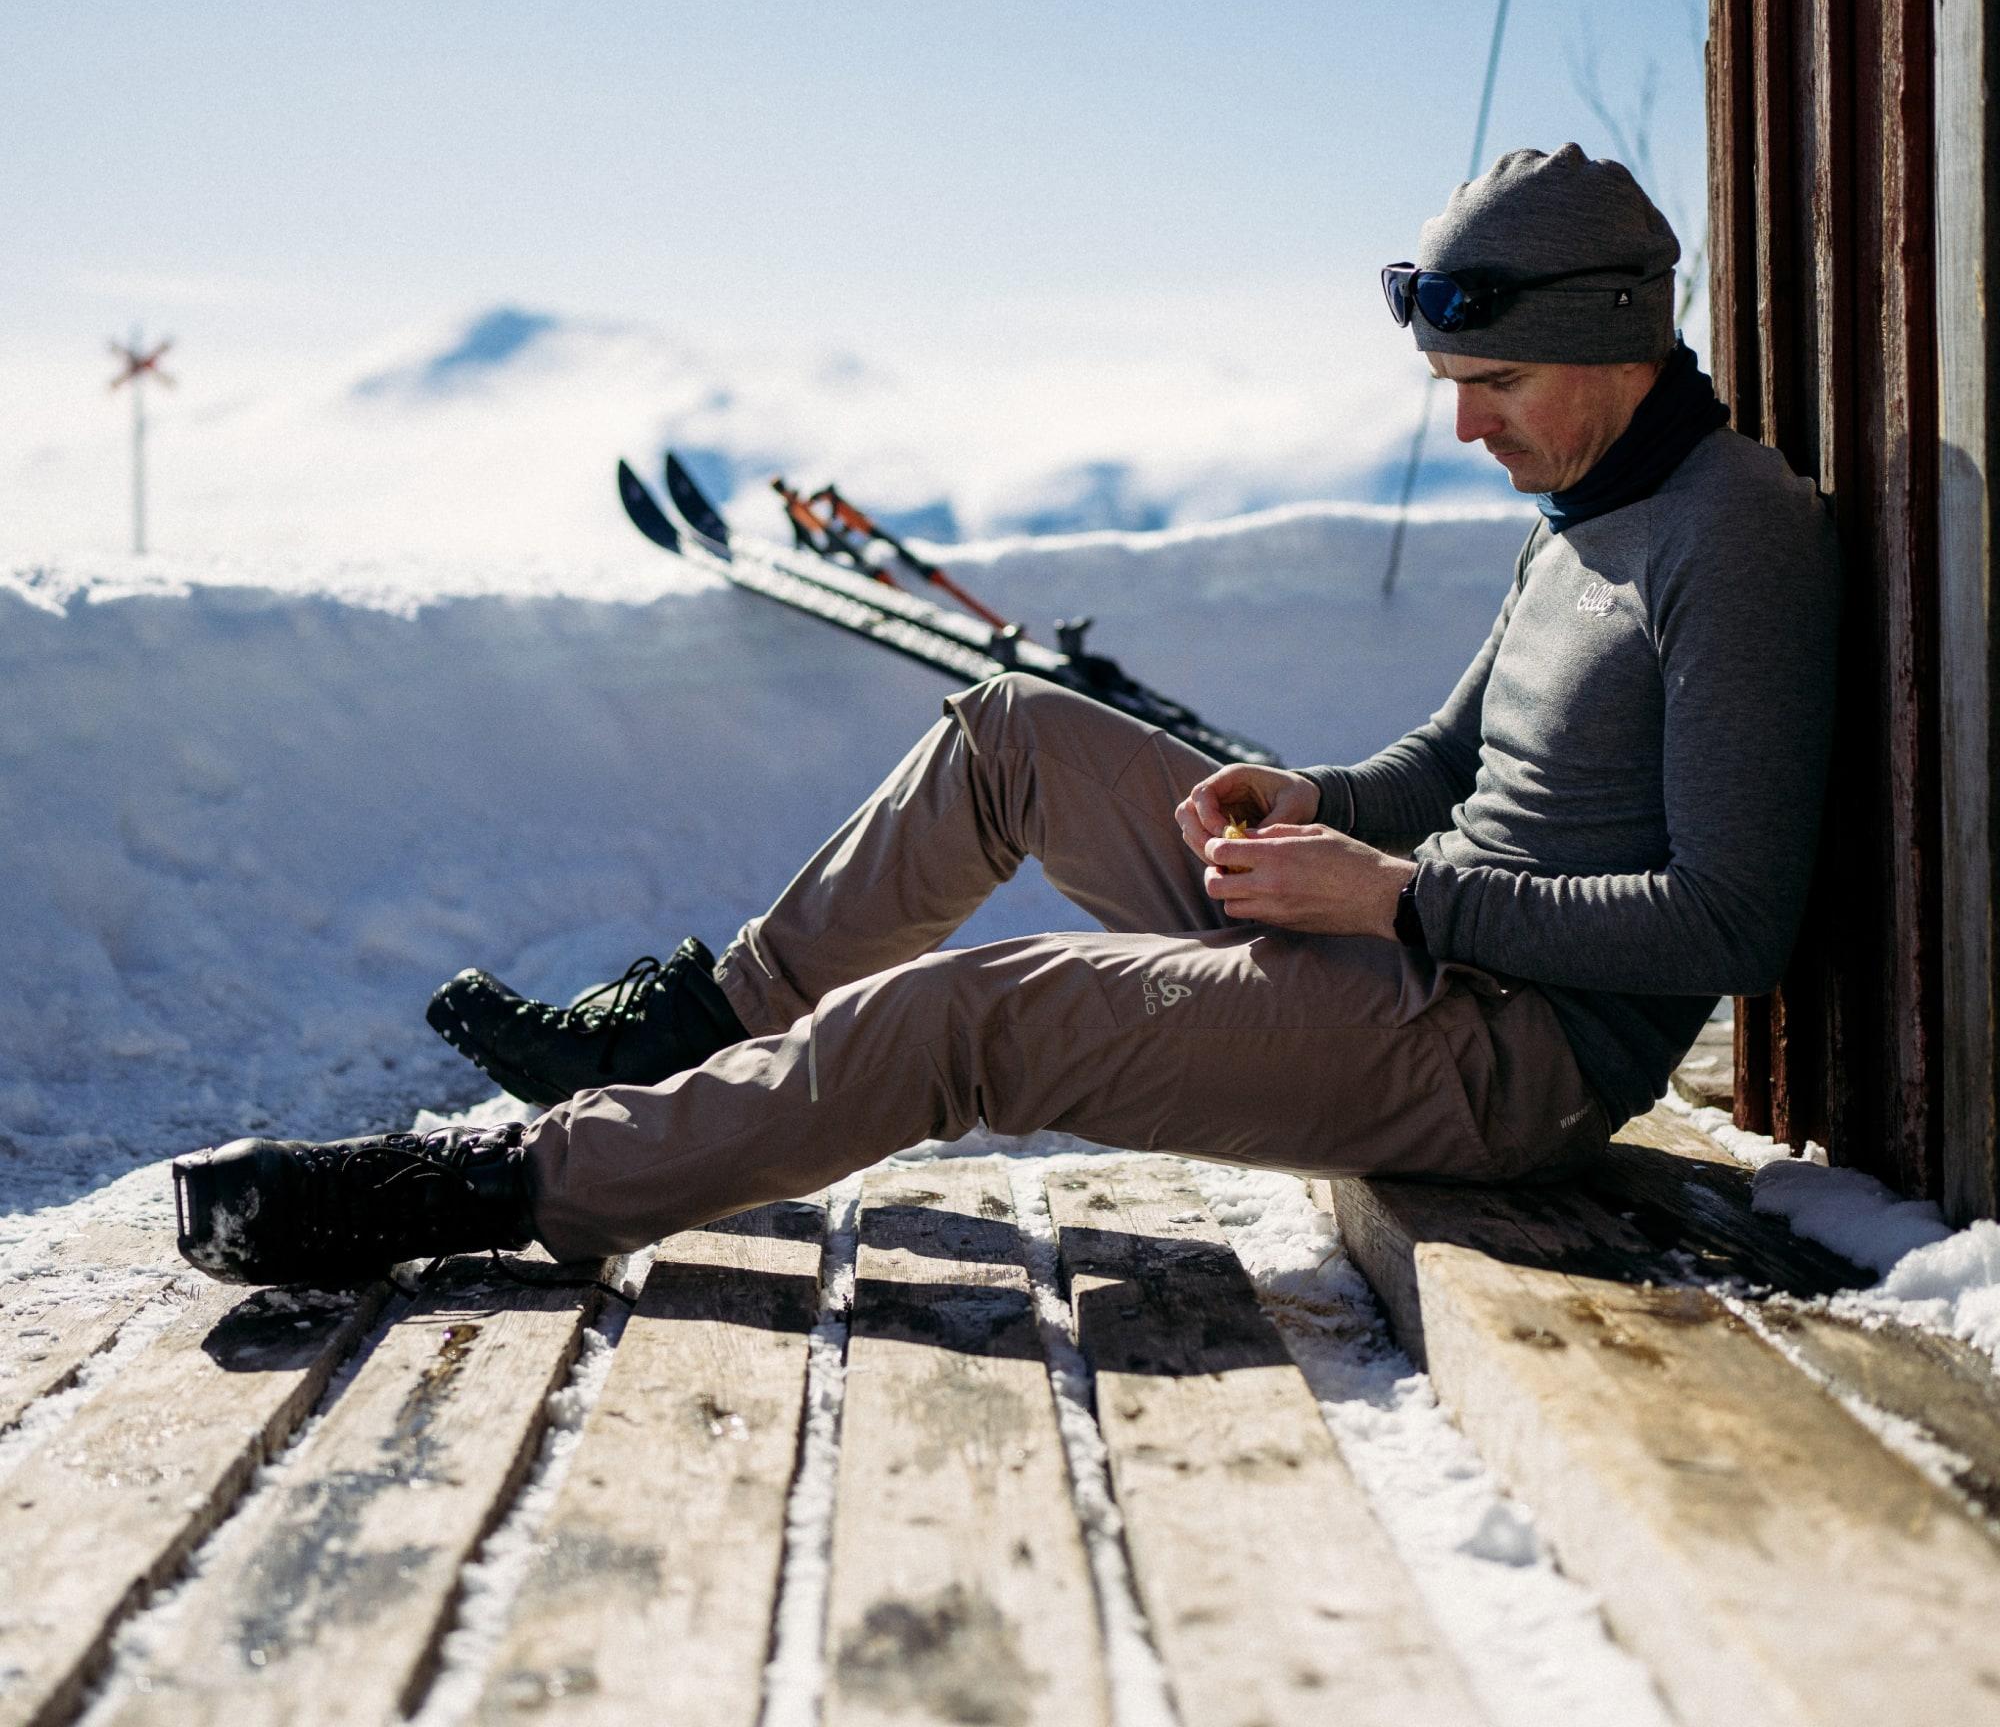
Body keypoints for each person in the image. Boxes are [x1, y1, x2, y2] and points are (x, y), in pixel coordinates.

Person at [171, 145, 1841, 1286]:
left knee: (964, 1019)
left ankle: (494, 1191)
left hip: (1502, 1059)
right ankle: (698, 1024)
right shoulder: (1589, 510)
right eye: (1451, 394)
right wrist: (1304, 797)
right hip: (1401, 952)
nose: (1471, 432)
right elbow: (1446, 765)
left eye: (1495, 389)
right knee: (1013, 732)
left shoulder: (1732, 536)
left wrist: (1396, 896)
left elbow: (1735, 921)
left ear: (1619, 343)